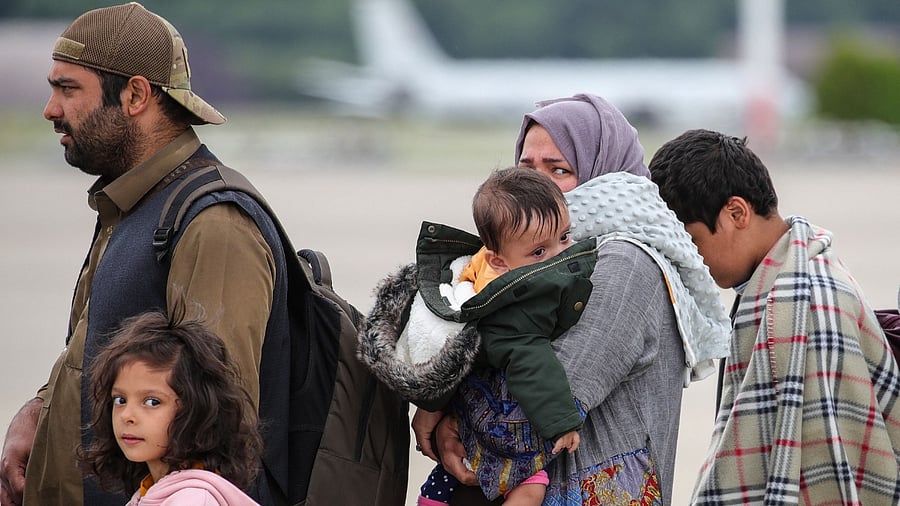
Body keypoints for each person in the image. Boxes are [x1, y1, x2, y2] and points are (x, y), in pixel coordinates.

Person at [0, 4, 294, 505]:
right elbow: (105, 360)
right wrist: (42, 412)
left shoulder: (212, 223)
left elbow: (218, 429)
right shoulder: (134, 205)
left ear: (135, 94)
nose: (50, 109)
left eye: (68, 89)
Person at [380, 93, 730, 505]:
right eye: (526, 167)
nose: (538, 185)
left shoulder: (623, 263)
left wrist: (452, 419)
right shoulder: (536, 261)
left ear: (605, 171)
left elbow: (529, 417)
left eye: (559, 169)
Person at [649, 128, 900, 504]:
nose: (687, 259)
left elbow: (828, 472)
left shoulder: (801, 303)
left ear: (736, 212)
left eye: (692, 241)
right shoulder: (795, 266)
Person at [389, 168, 593, 505]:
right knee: (531, 485)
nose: (558, 255)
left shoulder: (477, 269)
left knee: (445, 483)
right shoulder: (517, 308)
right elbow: (532, 360)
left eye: (565, 238)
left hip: (469, 421)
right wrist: (562, 424)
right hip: (508, 429)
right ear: (499, 261)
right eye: (539, 253)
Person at [78, 309, 262, 505]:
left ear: (197, 410)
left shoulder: (194, 500)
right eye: (120, 400)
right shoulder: (151, 491)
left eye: (152, 402)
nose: (127, 415)